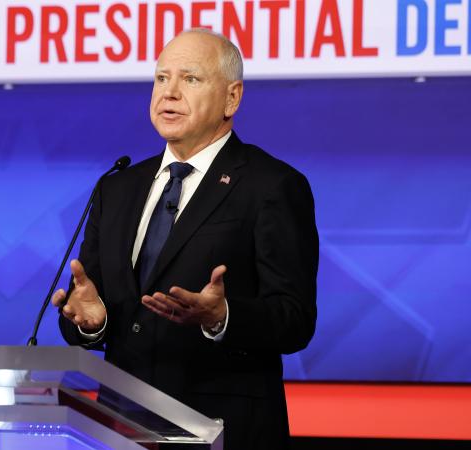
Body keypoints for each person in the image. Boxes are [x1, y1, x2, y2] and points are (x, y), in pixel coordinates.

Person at [51, 28, 318, 450]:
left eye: (190, 79)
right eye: (160, 79)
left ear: (232, 98)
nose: (169, 93)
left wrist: (221, 316)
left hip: (224, 430)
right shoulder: (116, 188)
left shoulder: (272, 186)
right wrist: (91, 320)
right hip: (121, 429)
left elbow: (295, 320)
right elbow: (92, 308)